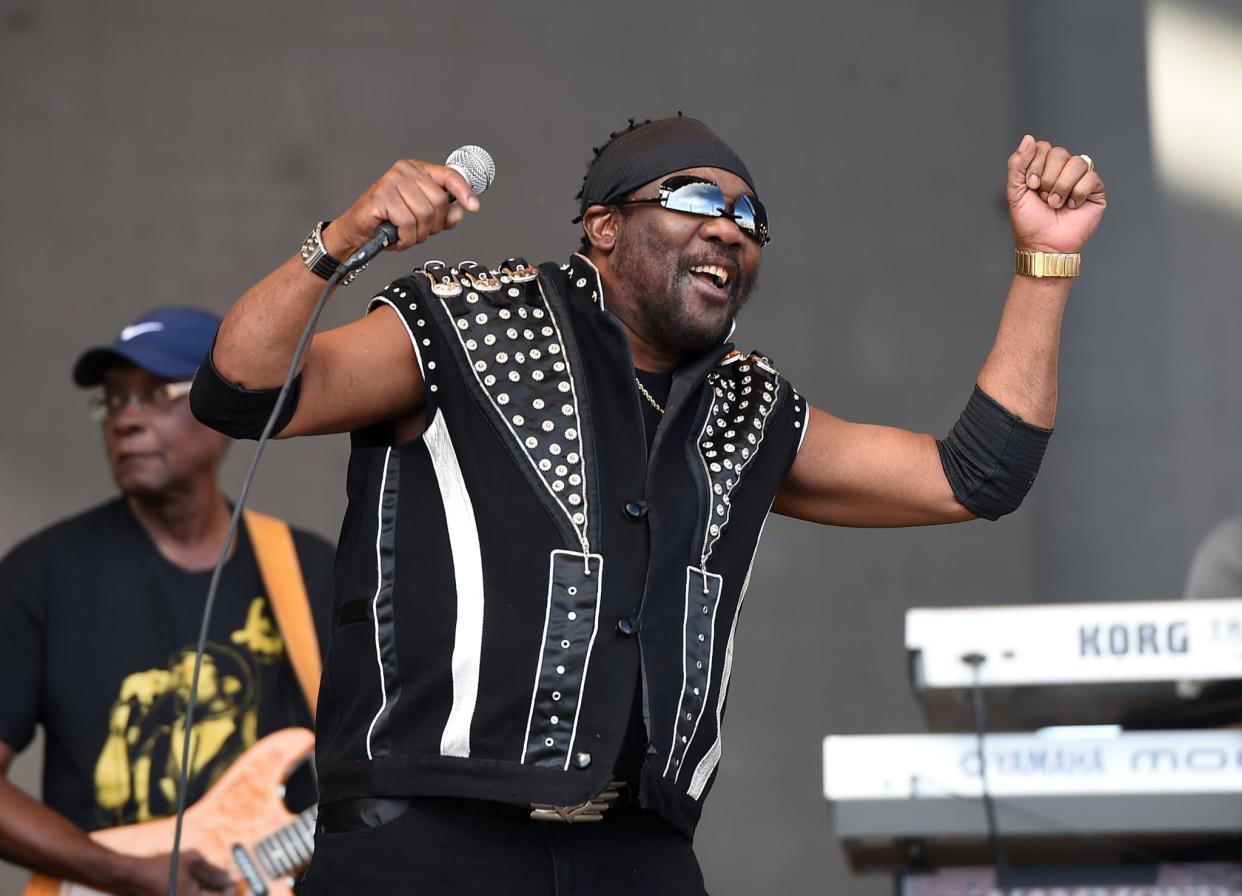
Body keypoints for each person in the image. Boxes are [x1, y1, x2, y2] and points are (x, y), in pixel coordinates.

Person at [191, 116, 1107, 894]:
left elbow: (976, 476)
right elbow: (239, 389)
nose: (733, 230)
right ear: (603, 224)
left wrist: (1044, 265)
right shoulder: (463, 323)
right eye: (699, 201)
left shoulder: (750, 410)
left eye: (751, 219)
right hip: (428, 835)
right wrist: (340, 239)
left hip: (635, 853)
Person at [0, 307, 335, 896]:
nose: (126, 421)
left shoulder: (310, 569)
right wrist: (125, 873)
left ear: (221, 404)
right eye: (113, 401)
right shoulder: (40, 575)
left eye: (157, 394)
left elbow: (374, 761)